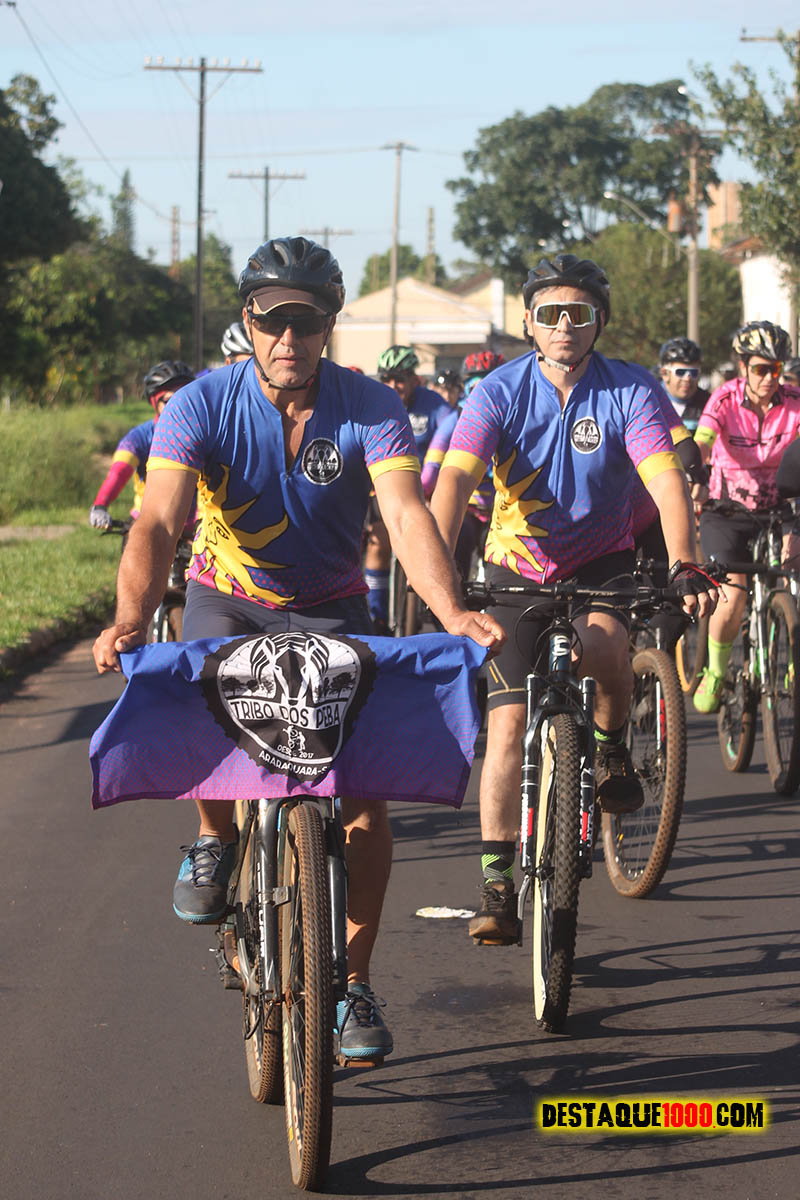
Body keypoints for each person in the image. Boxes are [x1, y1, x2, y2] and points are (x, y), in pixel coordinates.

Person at [92, 236, 504, 1057]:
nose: (289, 339)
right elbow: (159, 520)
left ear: (329, 326)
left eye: (307, 322)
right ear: (248, 322)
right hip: (228, 599)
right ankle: (216, 839)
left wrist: (452, 609)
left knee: (365, 798)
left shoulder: (371, 406)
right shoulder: (199, 404)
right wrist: (131, 618)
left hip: (333, 606)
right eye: (273, 321)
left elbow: (405, 515)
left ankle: (352, 985)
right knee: (204, 704)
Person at [430, 253, 717, 945]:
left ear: (599, 321)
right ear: (529, 322)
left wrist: (685, 561)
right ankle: (497, 883)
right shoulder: (496, 392)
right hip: (514, 569)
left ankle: (610, 750)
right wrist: (437, 571)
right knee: (505, 728)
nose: (564, 325)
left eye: (578, 313)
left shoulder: (631, 389)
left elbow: (665, 480)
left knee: (610, 646)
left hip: (602, 561)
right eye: (550, 313)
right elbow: (456, 481)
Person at [693, 320, 800, 713]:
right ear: (743, 367)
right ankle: (716, 671)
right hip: (727, 511)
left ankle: (794, 666)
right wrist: (694, 472)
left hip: (779, 508)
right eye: (760, 369)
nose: (769, 378)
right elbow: (703, 441)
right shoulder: (723, 399)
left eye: (776, 369)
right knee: (733, 595)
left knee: (793, 583)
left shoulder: (795, 402)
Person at [363, 346, 452, 632]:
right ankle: (377, 616)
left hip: (427, 490)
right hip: (385, 489)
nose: (393, 385)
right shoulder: (375, 401)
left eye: (400, 379)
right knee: (378, 540)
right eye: (386, 379)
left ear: (415, 379)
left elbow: (452, 433)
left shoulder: (434, 404)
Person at [89, 360, 195, 531]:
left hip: (194, 529)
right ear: (154, 402)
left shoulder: (207, 435)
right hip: (148, 525)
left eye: (185, 399)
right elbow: (119, 472)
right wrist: (101, 505)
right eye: (169, 401)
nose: (179, 407)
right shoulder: (138, 438)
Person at [659, 337, 709, 433]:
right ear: (665, 373)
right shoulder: (650, 402)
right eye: (681, 372)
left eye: (693, 373)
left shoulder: (709, 404)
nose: (687, 378)